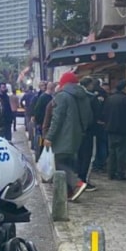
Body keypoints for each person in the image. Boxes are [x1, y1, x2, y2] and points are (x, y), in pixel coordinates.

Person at [44, 71, 91, 201]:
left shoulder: (62, 96)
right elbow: (88, 117)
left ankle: (77, 183)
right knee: (69, 163)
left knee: (60, 164)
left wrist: (49, 137)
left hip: (63, 136)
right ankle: (70, 193)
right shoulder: (83, 96)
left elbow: (57, 119)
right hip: (77, 135)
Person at [102, 79, 126, 181]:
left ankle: (111, 173)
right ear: (125, 88)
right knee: (121, 153)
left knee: (112, 152)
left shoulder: (109, 99)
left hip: (110, 129)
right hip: (123, 130)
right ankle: (120, 173)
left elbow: (104, 113)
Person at [77, 76, 102, 191]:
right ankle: (84, 180)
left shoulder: (75, 97)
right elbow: (97, 115)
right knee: (88, 156)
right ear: (89, 85)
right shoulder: (92, 98)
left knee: (79, 156)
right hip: (89, 131)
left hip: (76, 131)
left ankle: (78, 179)